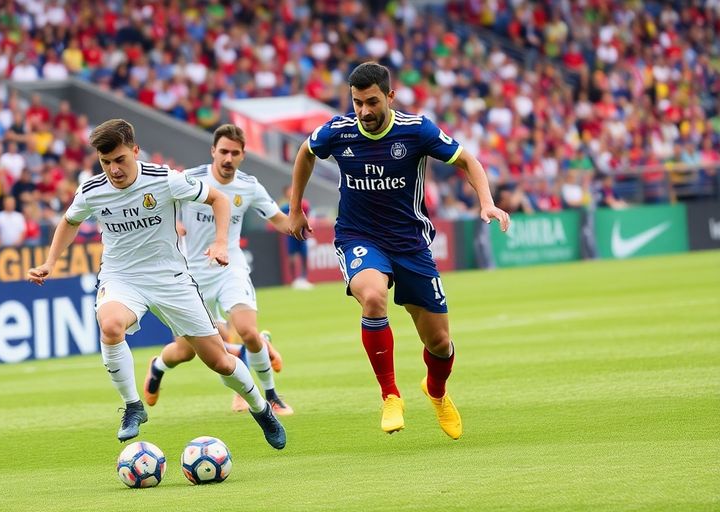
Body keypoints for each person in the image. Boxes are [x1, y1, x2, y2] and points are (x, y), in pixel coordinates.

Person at [27, 119, 285, 448]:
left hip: (170, 278)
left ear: (135, 151)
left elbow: (219, 200)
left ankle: (262, 409)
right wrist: (50, 262)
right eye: (106, 163)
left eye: (120, 160)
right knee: (110, 326)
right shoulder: (92, 190)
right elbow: (69, 220)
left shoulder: (165, 180)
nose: (113, 170)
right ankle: (133, 406)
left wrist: (221, 243)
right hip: (122, 277)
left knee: (218, 360)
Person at [288, 63, 511, 440]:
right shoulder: (338, 131)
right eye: (357, 103)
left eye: (372, 102)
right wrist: (295, 208)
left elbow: (467, 160)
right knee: (373, 297)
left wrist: (486, 202)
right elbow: (305, 153)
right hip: (358, 237)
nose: (364, 111)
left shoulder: (416, 130)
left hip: (410, 243)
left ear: (390, 97)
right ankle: (390, 394)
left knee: (439, 343)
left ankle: (436, 392)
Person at [142, 124, 293, 415]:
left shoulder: (248, 186)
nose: (228, 158)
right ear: (213, 151)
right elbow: (159, 206)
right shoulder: (191, 179)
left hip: (230, 266)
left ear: (242, 155)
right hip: (191, 275)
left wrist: (296, 222)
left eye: (234, 153)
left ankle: (272, 396)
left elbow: (279, 220)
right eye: (223, 151)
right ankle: (158, 366)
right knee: (185, 352)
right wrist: (174, 223)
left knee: (247, 330)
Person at [281, 184, 313, 289]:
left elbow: (308, 214)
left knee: (304, 255)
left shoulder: (303, 204)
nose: (291, 193)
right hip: (291, 236)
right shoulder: (284, 207)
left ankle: (304, 278)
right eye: (289, 191)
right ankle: (294, 280)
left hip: (302, 235)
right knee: (292, 257)